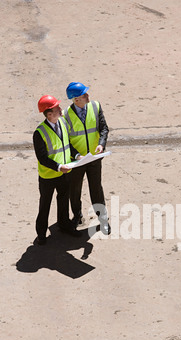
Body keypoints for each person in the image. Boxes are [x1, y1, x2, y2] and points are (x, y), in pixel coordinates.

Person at [33, 94, 81, 245]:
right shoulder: (39, 133)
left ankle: (64, 224)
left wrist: (77, 155)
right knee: (45, 205)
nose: (61, 109)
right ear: (49, 114)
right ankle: (41, 234)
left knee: (63, 200)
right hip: (48, 176)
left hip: (64, 174)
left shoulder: (62, 123)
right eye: (56, 108)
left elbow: (67, 145)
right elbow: (42, 158)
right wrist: (59, 167)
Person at [63, 81, 110, 234]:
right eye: (84, 94)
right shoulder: (66, 116)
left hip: (94, 158)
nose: (88, 95)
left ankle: (103, 219)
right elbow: (65, 141)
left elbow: (104, 128)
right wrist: (76, 155)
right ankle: (77, 216)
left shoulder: (95, 106)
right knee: (74, 190)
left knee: (96, 188)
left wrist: (101, 144)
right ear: (76, 99)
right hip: (77, 160)